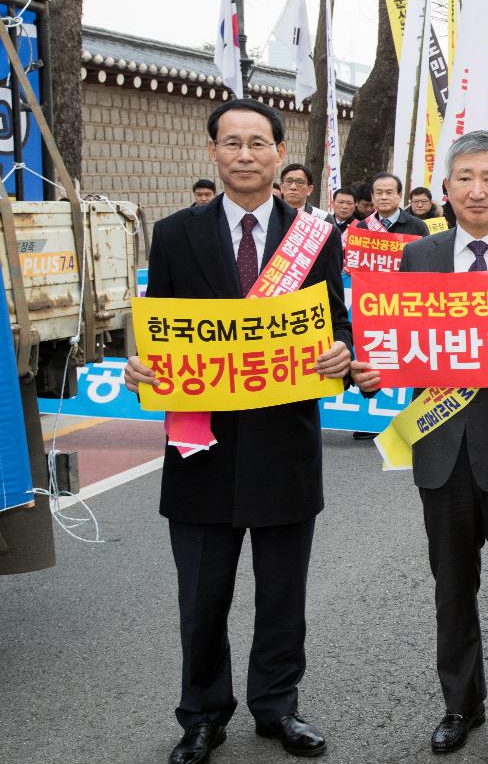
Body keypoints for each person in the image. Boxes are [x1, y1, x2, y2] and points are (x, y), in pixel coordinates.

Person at [123, 98, 352, 764]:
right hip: (201, 447)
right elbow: (159, 333)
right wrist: (145, 366)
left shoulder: (314, 235)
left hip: (284, 444)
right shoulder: (173, 234)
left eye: (258, 142)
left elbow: (337, 322)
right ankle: (201, 714)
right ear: (213, 152)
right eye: (232, 143)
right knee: (201, 597)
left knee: (283, 593)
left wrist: (340, 349)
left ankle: (278, 706)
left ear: (281, 153)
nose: (245, 154)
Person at [352, 131, 488, 758]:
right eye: (465, 177)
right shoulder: (418, 257)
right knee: (452, 585)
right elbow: (393, 345)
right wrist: (371, 370)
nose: (477, 190)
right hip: (441, 446)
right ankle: (459, 703)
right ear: (445, 189)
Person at [362, 172, 429, 237]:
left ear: (400, 195)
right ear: (372, 197)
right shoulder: (363, 226)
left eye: (389, 193)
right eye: (379, 193)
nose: (384, 197)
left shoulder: (418, 226)